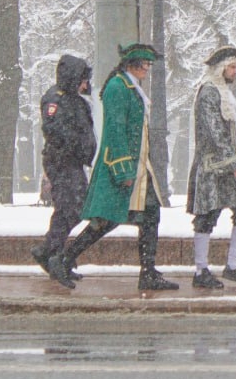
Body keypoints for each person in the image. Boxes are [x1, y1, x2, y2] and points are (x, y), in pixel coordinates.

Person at [46, 42, 178, 291]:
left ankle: (147, 272)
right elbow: (116, 130)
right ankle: (63, 259)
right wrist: (122, 169)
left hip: (138, 167)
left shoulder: (129, 86)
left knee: (150, 215)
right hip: (123, 167)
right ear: (132, 64)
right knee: (105, 221)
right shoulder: (119, 87)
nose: (147, 69)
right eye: (145, 64)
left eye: (149, 64)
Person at [186, 45, 236, 289]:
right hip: (211, 166)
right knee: (207, 216)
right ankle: (201, 271)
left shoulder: (223, 92)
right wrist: (235, 162)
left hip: (226, 165)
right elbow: (215, 133)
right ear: (220, 69)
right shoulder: (209, 92)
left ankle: (234, 266)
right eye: (232, 67)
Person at [31, 54, 97, 282]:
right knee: (69, 208)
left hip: (72, 162)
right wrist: (76, 146)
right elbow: (54, 130)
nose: (85, 85)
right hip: (62, 162)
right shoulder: (56, 99)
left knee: (75, 207)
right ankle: (53, 253)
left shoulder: (73, 99)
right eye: (83, 79)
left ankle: (50, 251)